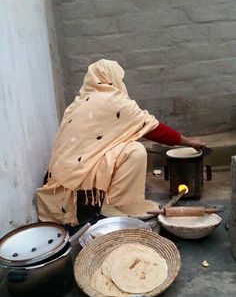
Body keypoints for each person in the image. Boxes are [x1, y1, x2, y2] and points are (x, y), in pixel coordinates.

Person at [36, 59, 206, 226]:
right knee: (134, 150)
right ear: (112, 77)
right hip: (81, 180)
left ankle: (108, 200)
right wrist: (189, 142)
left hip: (61, 177)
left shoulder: (78, 103)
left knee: (121, 144)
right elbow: (154, 129)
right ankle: (112, 205)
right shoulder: (114, 101)